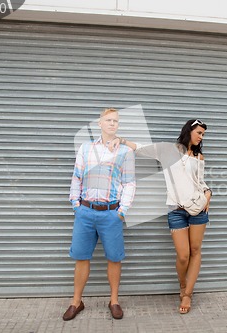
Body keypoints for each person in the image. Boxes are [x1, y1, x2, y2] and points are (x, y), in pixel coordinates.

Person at [114, 119, 212, 314]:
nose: (201, 137)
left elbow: (200, 181)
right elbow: (141, 148)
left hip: (198, 209)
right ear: (189, 131)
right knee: (183, 255)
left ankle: (187, 294)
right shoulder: (168, 150)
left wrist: (208, 193)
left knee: (195, 250)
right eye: (199, 132)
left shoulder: (199, 156)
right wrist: (122, 140)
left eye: (203, 134)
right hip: (176, 209)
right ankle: (182, 284)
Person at [62, 108, 136, 321]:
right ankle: (76, 301)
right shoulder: (85, 148)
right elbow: (77, 177)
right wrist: (76, 205)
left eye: (115, 121)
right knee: (81, 257)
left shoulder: (125, 152)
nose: (112, 124)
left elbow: (129, 182)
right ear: (99, 123)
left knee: (114, 258)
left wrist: (122, 212)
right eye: (108, 120)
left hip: (111, 213)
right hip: (85, 212)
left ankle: (114, 300)